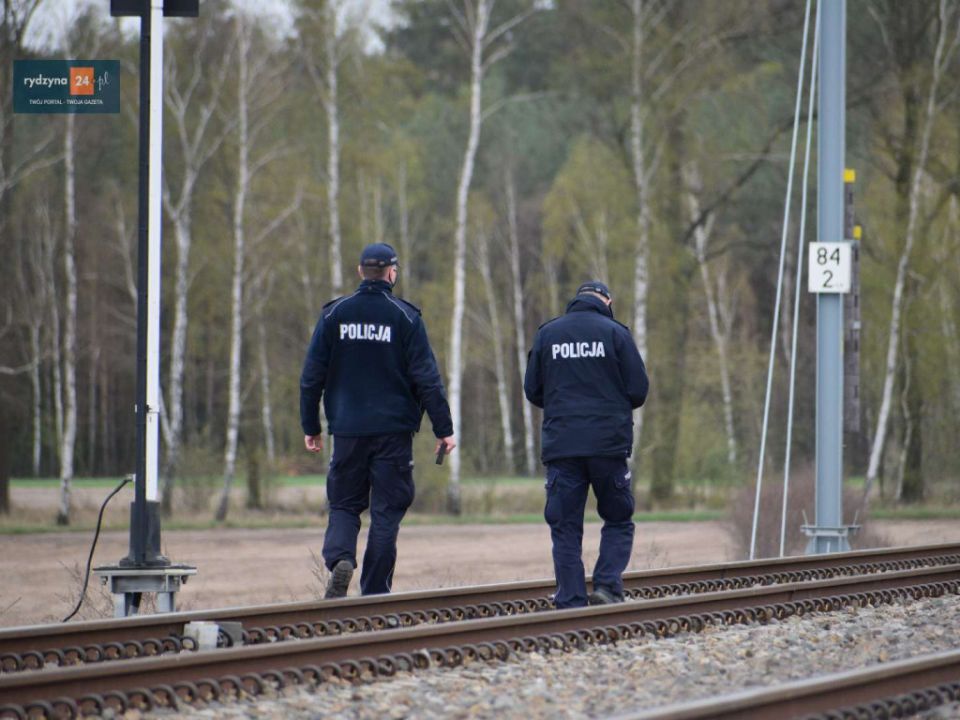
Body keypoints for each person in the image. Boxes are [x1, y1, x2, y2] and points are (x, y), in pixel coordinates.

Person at [300, 243, 456, 598]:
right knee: (386, 512)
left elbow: (311, 377)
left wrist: (311, 426)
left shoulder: (333, 315)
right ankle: (373, 594)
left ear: (360, 272)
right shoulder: (406, 318)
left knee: (344, 503)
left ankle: (341, 558)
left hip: (347, 430)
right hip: (393, 433)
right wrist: (443, 429)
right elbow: (427, 379)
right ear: (391, 273)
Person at [523, 281, 648, 609]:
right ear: (607, 301)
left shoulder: (547, 334)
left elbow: (532, 390)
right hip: (608, 446)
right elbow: (638, 390)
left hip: (562, 446)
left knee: (564, 526)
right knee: (618, 518)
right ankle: (607, 587)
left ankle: (571, 601)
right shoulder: (616, 334)